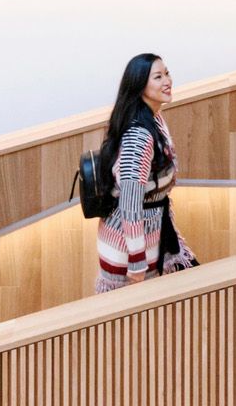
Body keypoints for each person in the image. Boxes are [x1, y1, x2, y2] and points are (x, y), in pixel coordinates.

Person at [94, 53, 199, 293]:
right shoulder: (138, 135)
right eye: (158, 77)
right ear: (140, 84)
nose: (167, 81)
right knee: (132, 320)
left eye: (167, 73)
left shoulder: (153, 117)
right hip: (128, 247)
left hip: (155, 231)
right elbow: (130, 203)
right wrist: (137, 260)